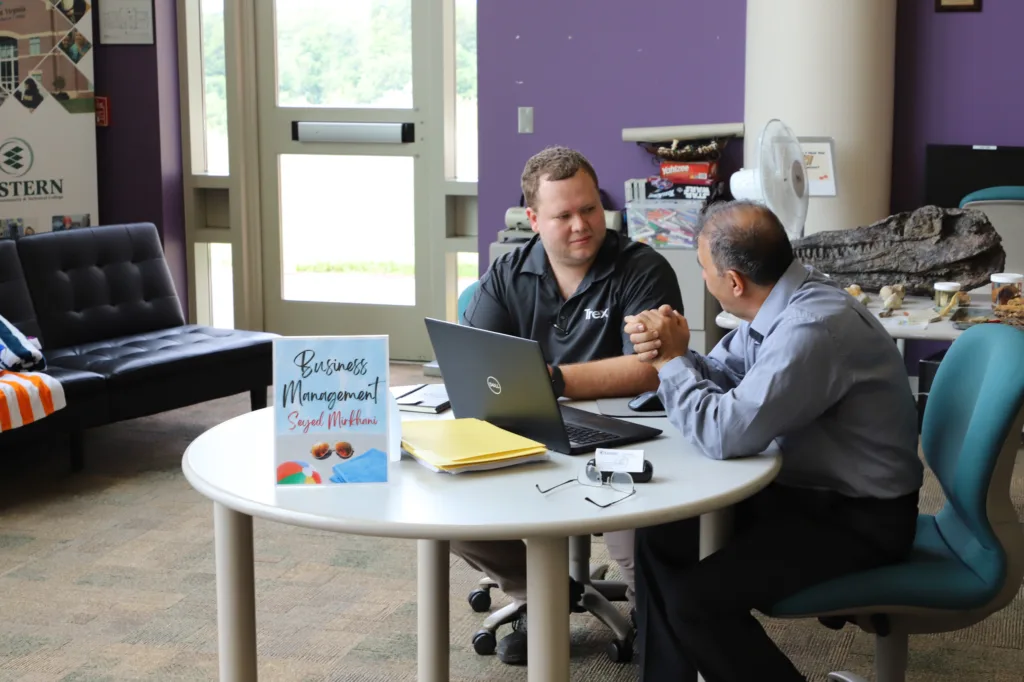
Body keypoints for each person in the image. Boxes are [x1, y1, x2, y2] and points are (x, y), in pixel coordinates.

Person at [623, 200, 924, 682]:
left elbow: (723, 433)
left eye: (703, 268)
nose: (702, 278)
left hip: (860, 520)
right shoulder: (783, 303)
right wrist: (675, 351)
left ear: (734, 281)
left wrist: (672, 364)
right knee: (662, 534)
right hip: (809, 493)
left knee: (696, 603)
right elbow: (728, 375)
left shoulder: (812, 328)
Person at [454, 145, 684, 665]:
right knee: (451, 506)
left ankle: (653, 621)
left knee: (635, 534)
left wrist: (552, 379)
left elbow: (651, 367)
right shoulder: (508, 273)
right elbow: (478, 364)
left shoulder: (642, 269)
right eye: (564, 216)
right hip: (529, 429)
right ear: (534, 219)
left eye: (590, 209)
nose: (582, 225)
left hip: (622, 433)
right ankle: (540, 595)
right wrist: (533, 389)